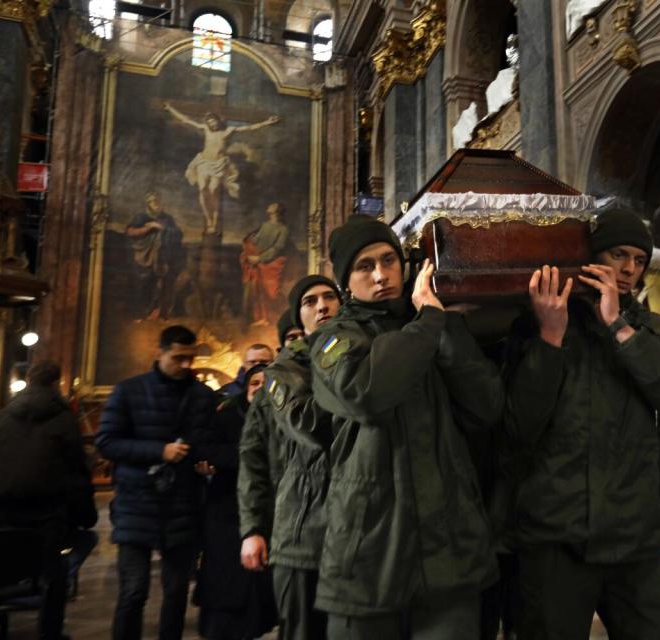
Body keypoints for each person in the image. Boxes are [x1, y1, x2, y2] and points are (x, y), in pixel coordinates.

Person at [503, 208, 660, 639]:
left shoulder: (658, 332)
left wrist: (619, 326)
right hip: (557, 536)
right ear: (592, 255)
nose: (630, 269)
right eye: (619, 254)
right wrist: (551, 338)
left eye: (639, 259)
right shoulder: (538, 323)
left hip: (636, 538)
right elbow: (521, 423)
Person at [309, 215, 503, 639]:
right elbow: (367, 392)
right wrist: (430, 325)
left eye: (388, 260)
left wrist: (446, 324)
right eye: (364, 266)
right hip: (368, 558)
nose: (380, 275)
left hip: (449, 553)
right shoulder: (333, 340)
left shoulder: (437, 324)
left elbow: (487, 407)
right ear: (347, 281)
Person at [96, 325, 218, 640]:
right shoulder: (129, 391)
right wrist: (159, 452)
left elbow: (208, 441)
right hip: (137, 505)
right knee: (133, 592)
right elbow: (107, 442)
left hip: (182, 505)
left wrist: (207, 462)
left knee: (176, 593)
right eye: (178, 358)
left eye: (191, 358)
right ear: (159, 353)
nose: (187, 366)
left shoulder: (203, 396)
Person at [238, 274, 342, 640]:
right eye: (310, 301)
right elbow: (252, 457)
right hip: (298, 530)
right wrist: (252, 528)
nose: (322, 306)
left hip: (349, 532)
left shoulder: (354, 358)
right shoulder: (280, 378)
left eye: (329, 297)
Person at [0, 360, 96, 640]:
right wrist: (84, 512)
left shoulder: (0, 416)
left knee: (0, 568)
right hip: (49, 511)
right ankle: (49, 632)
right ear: (55, 383)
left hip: (3, 509)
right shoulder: (62, 419)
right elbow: (77, 468)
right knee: (53, 575)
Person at [194, 364, 277, 640]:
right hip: (225, 511)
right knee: (225, 587)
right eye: (254, 383)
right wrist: (251, 458)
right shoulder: (226, 416)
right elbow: (206, 450)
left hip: (265, 512)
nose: (259, 389)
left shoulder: (283, 417)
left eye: (266, 383)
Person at [163, 103, 279, 233]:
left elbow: (249, 128)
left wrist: (267, 122)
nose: (212, 124)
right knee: (202, 190)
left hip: (219, 164)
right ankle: (209, 220)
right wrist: (171, 109)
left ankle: (215, 219)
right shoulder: (205, 129)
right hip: (203, 163)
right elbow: (187, 120)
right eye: (210, 122)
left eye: (214, 122)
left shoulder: (227, 131)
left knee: (213, 190)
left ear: (218, 121)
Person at [125, 193, 185, 321]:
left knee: (161, 285)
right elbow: (130, 231)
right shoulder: (141, 217)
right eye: (152, 201)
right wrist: (149, 227)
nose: (156, 203)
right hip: (144, 257)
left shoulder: (167, 219)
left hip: (162, 257)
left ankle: (158, 313)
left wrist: (165, 229)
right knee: (144, 284)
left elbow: (178, 233)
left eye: (157, 201)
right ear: (148, 204)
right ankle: (142, 314)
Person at [242, 203, 291, 327]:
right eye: (272, 211)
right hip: (259, 261)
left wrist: (260, 258)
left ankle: (274, 317)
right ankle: (261, 318)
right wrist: (251, 240)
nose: (273, 213)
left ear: (279, 213)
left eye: (276, 211)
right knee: (258, 289)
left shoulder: (283, 229)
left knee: (271, 292)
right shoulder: (265, 226)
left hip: (272, 263)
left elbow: (277, 248)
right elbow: (257, 240)